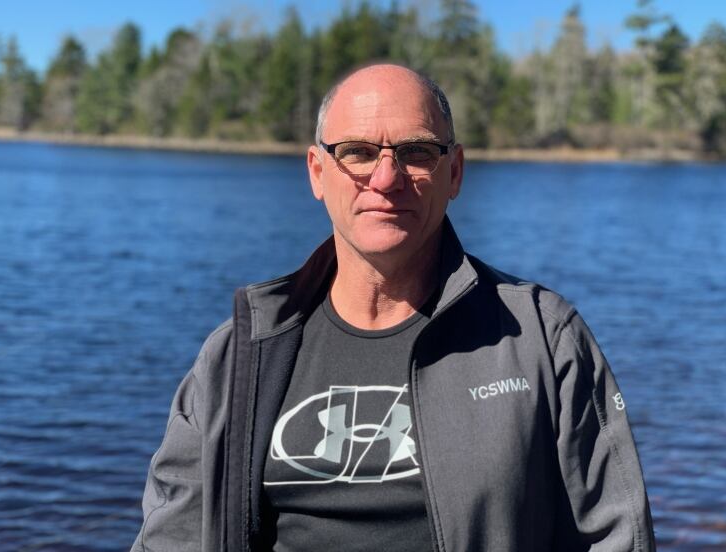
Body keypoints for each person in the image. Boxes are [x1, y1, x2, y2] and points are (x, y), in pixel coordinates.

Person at [131, 63, 655, 552]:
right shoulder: (240, 355)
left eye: (417, 151)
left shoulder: (542, 337)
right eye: (357, 151)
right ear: (317, 172)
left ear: (455, 173)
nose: (386, 178)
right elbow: (172, 536)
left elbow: (616, 535)